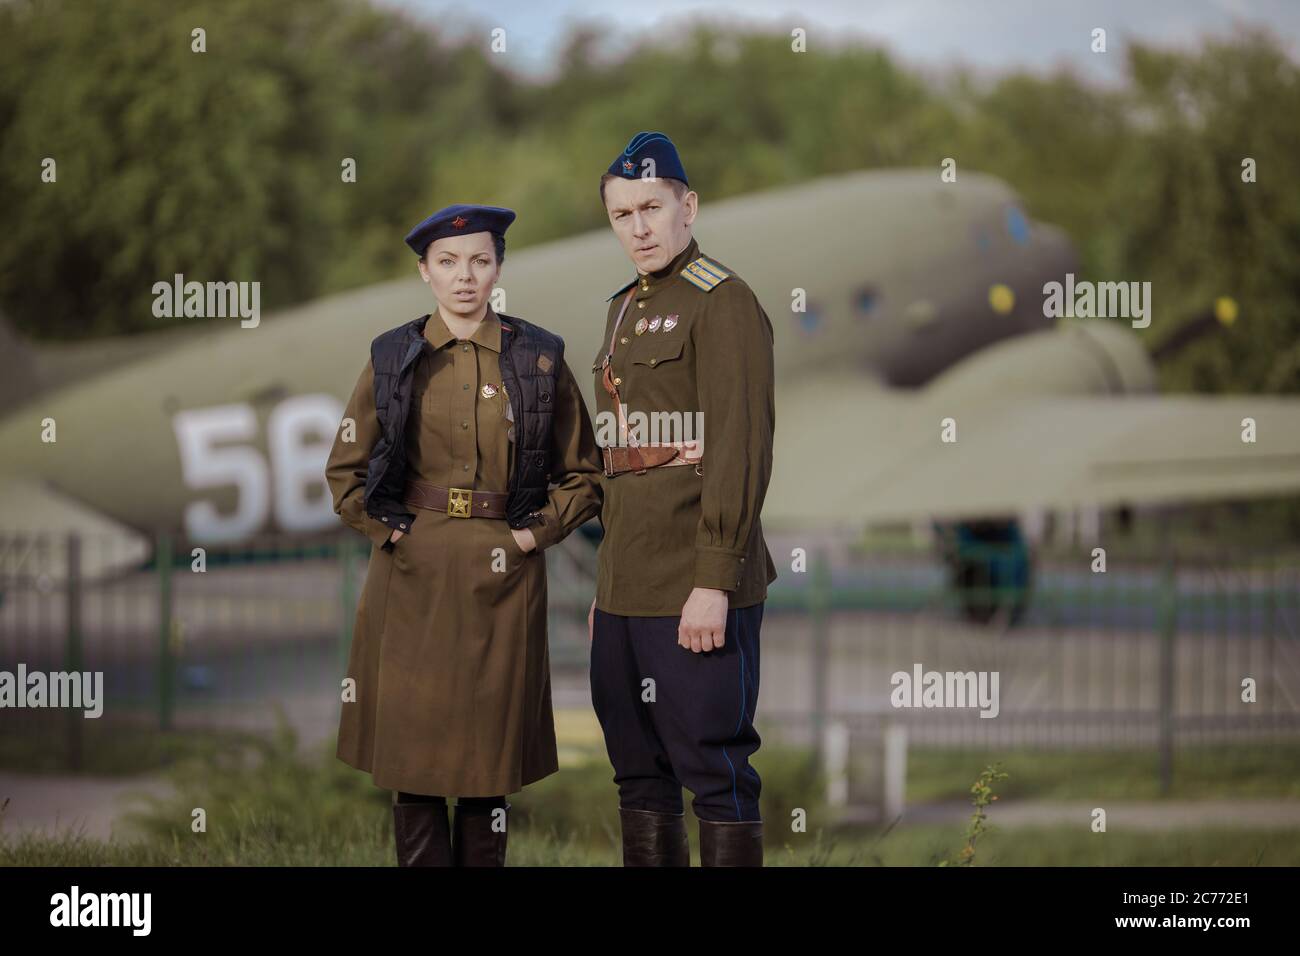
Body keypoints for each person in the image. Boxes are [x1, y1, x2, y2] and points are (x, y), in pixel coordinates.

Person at [325, 203, 602, 866]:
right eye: (448, 263)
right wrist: (393, 537)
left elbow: (586, 475)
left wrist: (531, 539)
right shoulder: (393, 357)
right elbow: (344, 469)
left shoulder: (539, 359)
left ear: (499, 267)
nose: (465, 277)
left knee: (489, 762)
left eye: (480, 260)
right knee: (412, 760)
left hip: (506, 578)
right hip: (410, 576)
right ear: (425, 272)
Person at [587, 132, 778, 866]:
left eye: (652, 208)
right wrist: (609, 582)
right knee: (639, 774)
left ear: (687, 207)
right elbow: (622, 459)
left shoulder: (723, 301)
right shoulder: (622, 308)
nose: (638, 227)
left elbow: (740, 444)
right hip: (628, 586)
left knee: (714, 771)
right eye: (622, 214)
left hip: (696, 583)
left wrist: (714, 579)